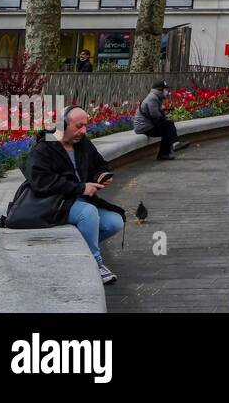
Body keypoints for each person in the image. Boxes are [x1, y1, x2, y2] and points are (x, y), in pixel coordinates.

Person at [25, 107, 127, 285]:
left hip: (80, 199)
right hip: (55, 202)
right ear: (62, 125)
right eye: (79, 126)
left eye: (85, 126)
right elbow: (41, 182)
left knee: (114, 222)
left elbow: (100, 164)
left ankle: (81, 256)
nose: (83, 131)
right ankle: (96, 264)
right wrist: (80, 188)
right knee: (88, 213)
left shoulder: (83, 143)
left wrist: (100, 176)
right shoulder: (44, 148)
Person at [133, 80, 181, 160]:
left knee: (168, 127)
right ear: (159, 89)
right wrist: (163, 116)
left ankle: (168, 149)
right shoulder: (153, 98)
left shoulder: (156, 97)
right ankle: (167, 150)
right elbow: (155, 115)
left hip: (148, 125)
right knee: (168, 127)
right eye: (164, 89)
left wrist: (164, 112)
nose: (167, 91)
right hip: (143, 128)